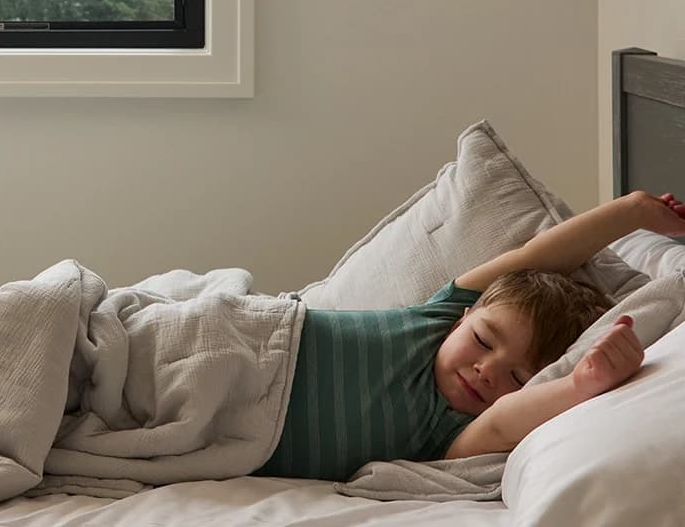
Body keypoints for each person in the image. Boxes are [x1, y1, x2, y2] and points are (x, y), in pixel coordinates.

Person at [252, 190, 685, 481]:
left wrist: (579, 385)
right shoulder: (434, 319)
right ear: (462, 319)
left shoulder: (453, 433)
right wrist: (633, 213)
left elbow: (502, 424)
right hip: (257, 340)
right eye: (482, 341)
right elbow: (532, 256)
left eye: (516, 377)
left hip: (252, 428)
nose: (485, 370)